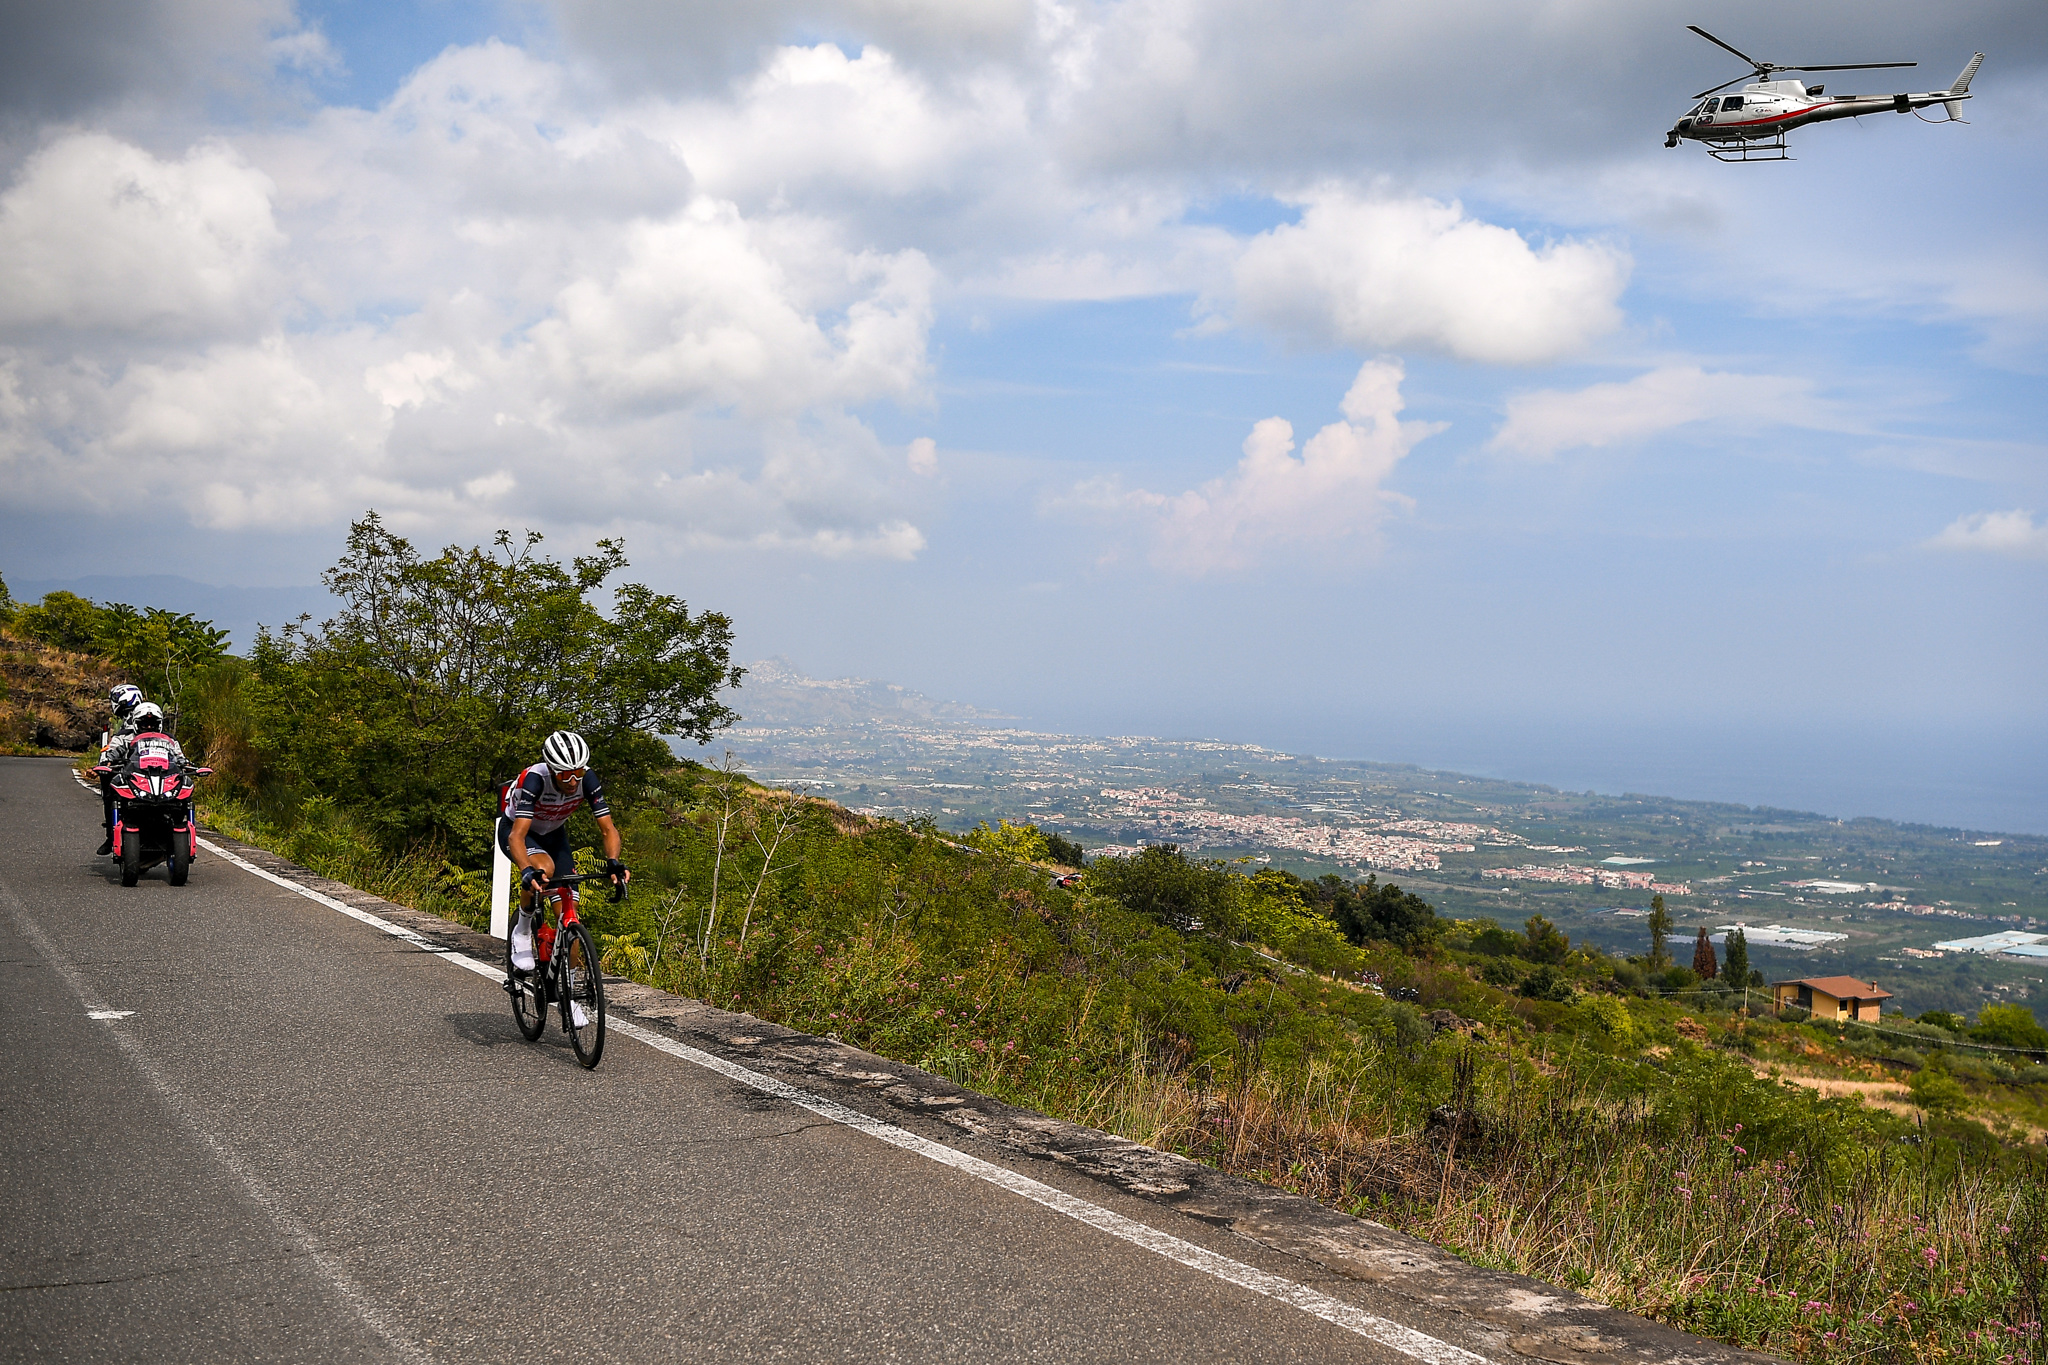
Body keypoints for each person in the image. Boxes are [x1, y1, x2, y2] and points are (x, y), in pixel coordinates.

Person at [498, 730, 628, 972]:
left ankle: (570, 995)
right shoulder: (535, 779)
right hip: (519, 831)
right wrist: (526, 871)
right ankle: (523, 929)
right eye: (566, 775)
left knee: (569, 918)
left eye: (578, 773)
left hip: (555, 834)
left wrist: (614, 862)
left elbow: (608, 829)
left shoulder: (587, 779)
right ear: (552, 769)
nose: (573, 781)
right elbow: (517, 836)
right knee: (542, 869)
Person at [101, 703, 194, 855]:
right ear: (136, 723)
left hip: (163, 780)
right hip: (133, 779)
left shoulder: (169, 739)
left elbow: (179, 757)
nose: (149, 727)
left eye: (153, 724)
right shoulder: (123, 736)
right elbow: (112, 751)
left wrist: (187, 764)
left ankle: (176, 826)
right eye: (144, 723)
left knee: (187, 786)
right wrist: (109, 760)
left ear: (160, 724)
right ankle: (111, 837)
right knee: (110, 784)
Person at [97, 684, 147, 855]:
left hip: (136, 767)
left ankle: (111, 836)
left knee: (109, 789)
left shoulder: (131, 721)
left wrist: (106, 761)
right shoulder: (150, 713)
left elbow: (120, 744)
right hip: (149, 766)